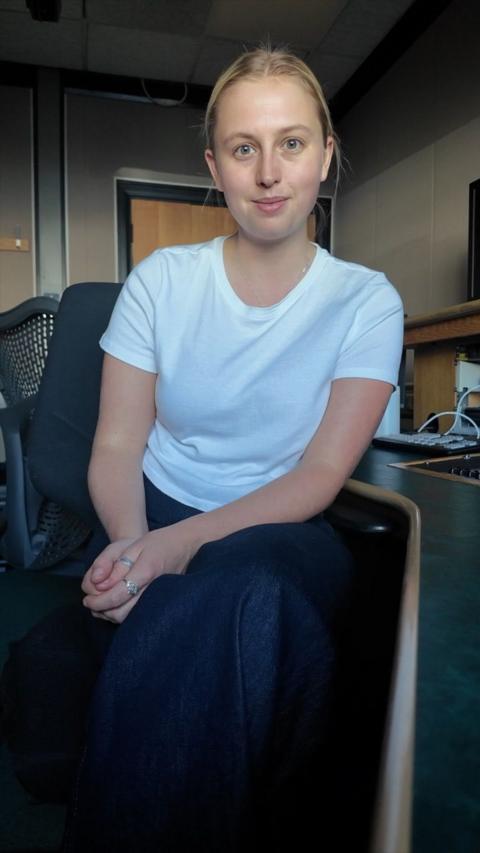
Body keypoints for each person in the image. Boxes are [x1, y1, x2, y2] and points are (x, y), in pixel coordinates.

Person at [58, 45, 403, 851]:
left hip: (283, 525)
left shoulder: (367, 301)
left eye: (291, 142)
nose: (269, 172)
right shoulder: (161, 280)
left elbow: (321, 474)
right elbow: (116, 441)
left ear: (327, 153)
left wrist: (175, 552)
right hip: (154, 507)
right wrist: (136, 544)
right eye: (245, 148)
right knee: (208, 610)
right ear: (215, 165)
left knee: (245, 592)